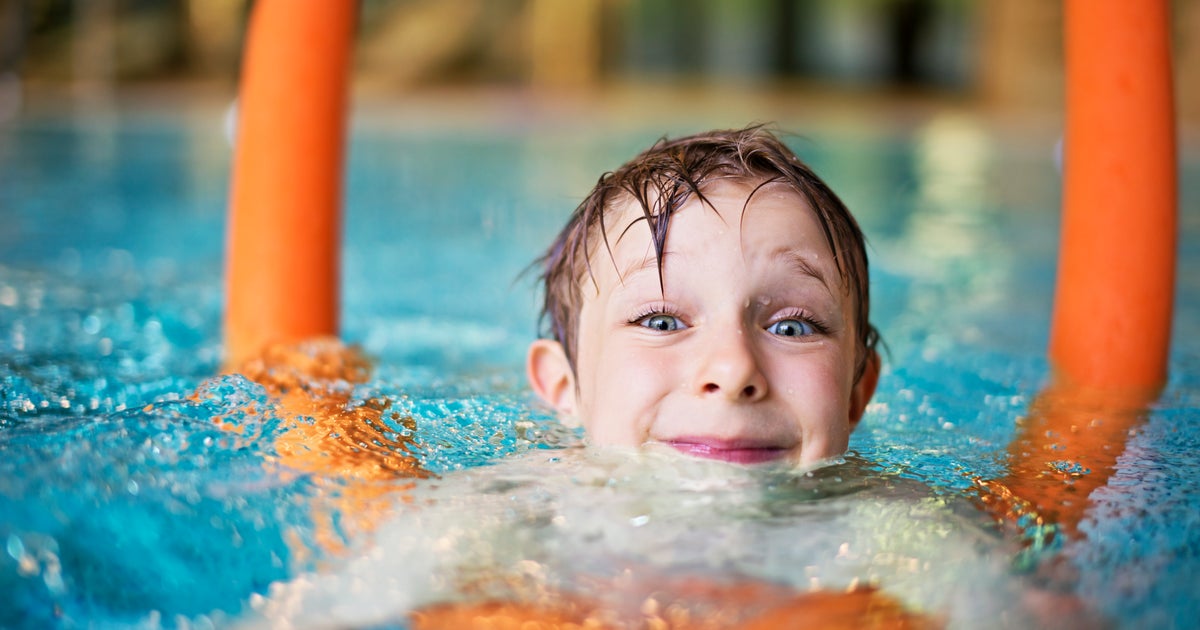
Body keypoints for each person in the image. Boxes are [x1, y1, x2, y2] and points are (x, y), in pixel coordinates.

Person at [526, 125, 882, 467]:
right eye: (661, 322)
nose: (733, 372)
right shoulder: (510, 512)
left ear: (856, 394)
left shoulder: (907, 521)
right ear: (564, 385)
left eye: (791, 327)